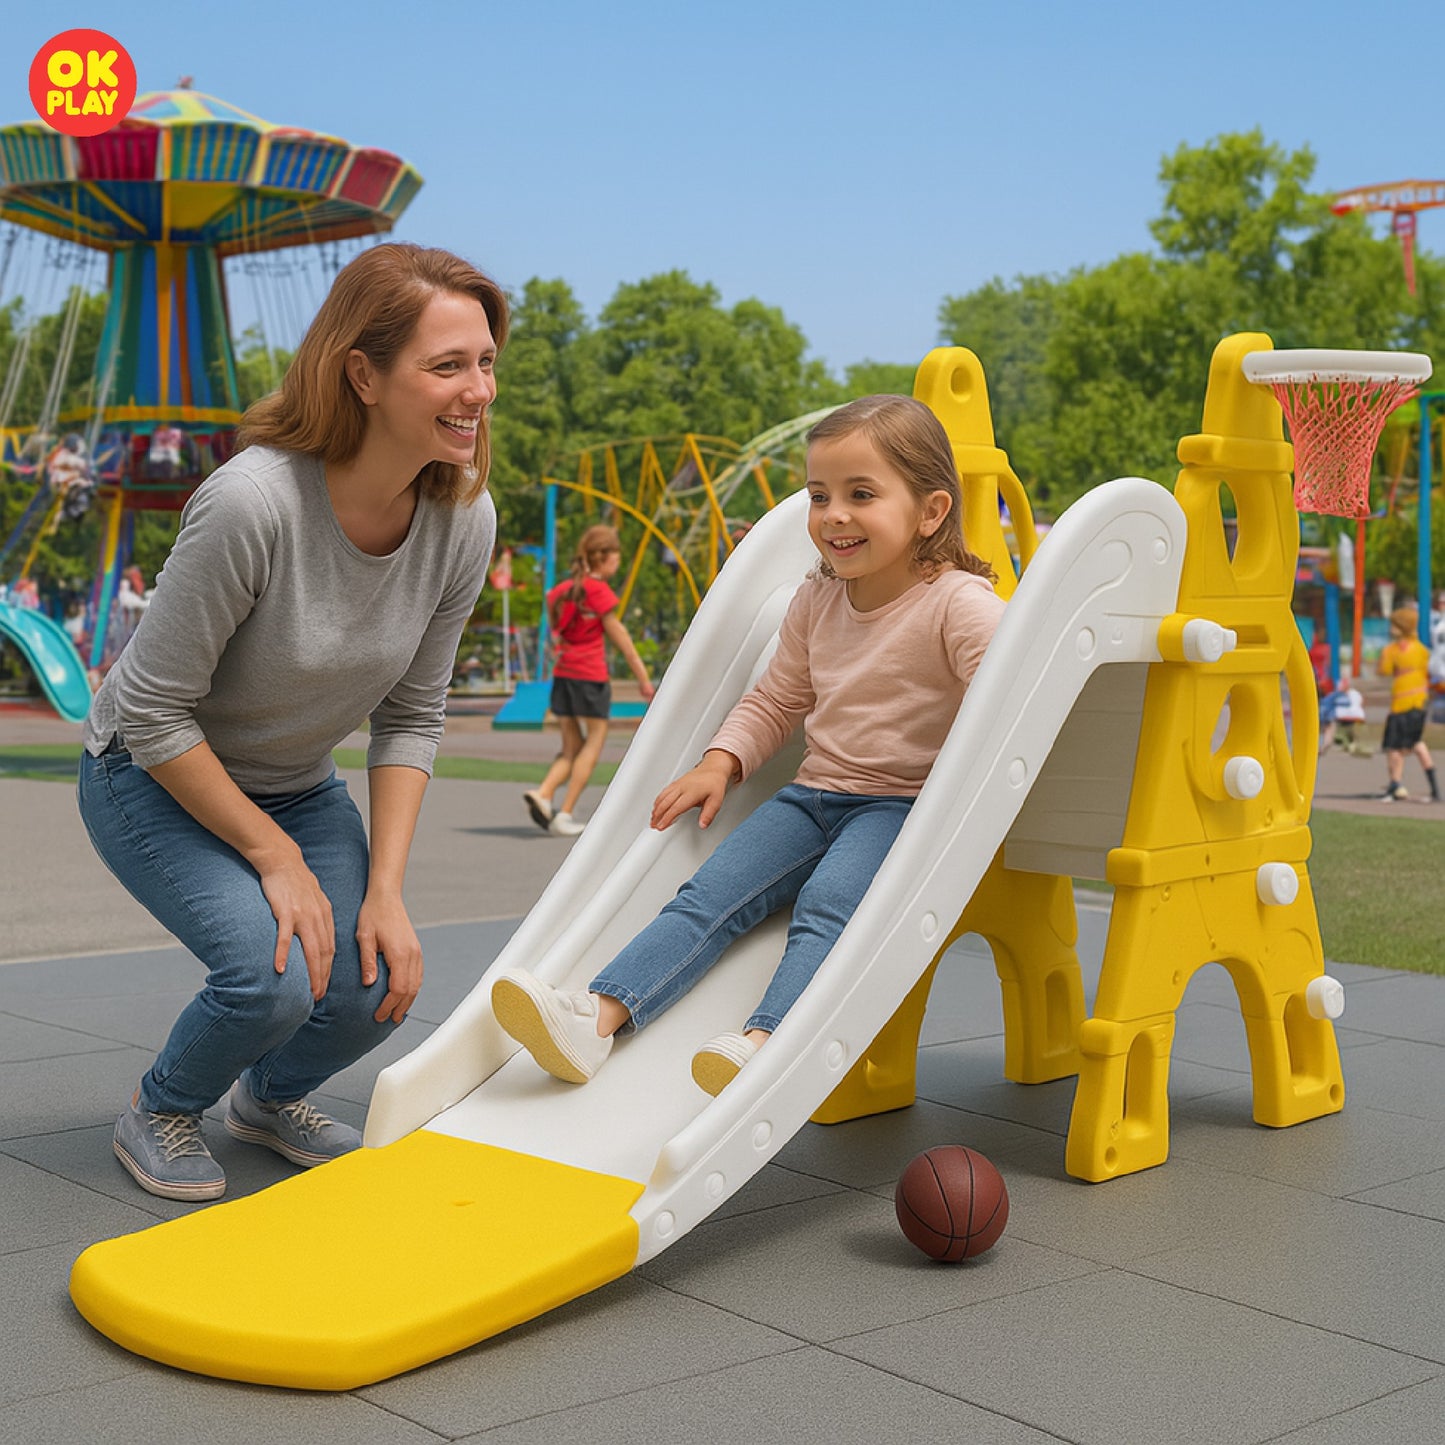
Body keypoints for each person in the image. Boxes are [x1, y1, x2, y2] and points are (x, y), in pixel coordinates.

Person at [76, 243, 508, 1201]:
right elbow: (151, 708)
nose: (477, 389)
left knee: (369, 978)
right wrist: (277, 860)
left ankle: (268, 1098)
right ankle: (160, 1105)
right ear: (362, 373)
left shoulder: (461, 519)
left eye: (485, 362)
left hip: (294, 779)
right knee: (273, 975)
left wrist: (386, 890)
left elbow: (412, 713)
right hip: (146, 769)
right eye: (447, 366)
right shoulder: (251, 504)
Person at [493, 394, 1006, 1095]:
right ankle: (598, 1018)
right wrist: (720, 761)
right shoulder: (816, 600)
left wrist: (964, 797)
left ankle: (767, 1039)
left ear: (930, 511)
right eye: (819, 494)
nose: (834, 515)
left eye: (861, 494)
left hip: (901, 805)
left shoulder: (957, 603)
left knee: (829, 904)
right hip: (814, 795)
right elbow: (776, 699)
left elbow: (1007, 696)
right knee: (706, 894)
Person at [522, 524, 654, 838]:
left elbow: (555, 623)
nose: (618, 563)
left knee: (571, 747)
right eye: (616, 557)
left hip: (564, 674)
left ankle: (543, 793)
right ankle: (564, 813)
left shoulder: (564, 590)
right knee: (594, 741)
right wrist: (643, 680)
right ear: (604, 557)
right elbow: (621, 639)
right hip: (590, 675)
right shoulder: (599, 593)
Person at [1376, 606, 1439, 802]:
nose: (1390, 628)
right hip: (1419, 703)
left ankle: (1396, 785)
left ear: (1400, 627)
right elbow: (1431, 670)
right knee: (1416, 743)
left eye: (1393, 625)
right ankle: (1432, 787)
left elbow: (1383, 671)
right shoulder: (1421, 650)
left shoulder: (1392, 650)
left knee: (1394, 747)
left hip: (1401, 705)